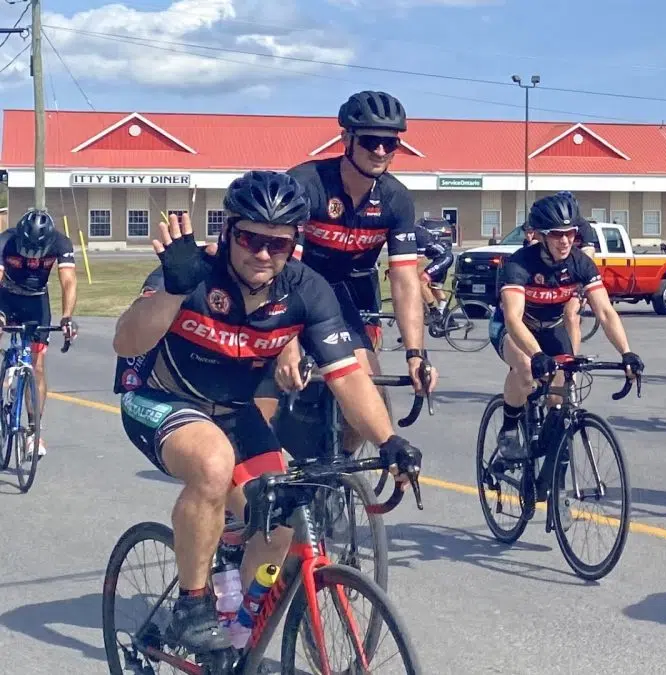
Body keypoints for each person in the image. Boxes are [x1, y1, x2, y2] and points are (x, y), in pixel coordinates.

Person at [111, 171, 420, 654]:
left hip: (233, 410)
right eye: (250, 239)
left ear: (294, 243)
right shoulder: (192, 272)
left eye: (277, 245)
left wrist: (388, 440)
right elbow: (126, 341)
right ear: (229, 230)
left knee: (280, 522)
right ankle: (192, 606)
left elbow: (348, 377)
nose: (262, 254)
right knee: (213, 464)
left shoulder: (305, 290)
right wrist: (172, 290)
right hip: (160, 400)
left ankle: (232, 628)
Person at [259, 90, 438, 457]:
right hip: (280, 289)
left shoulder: (395, 199)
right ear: (346, 139)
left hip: (338, 296)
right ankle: (250, 478)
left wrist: (416, 353)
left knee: (368, 395)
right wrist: (286, 345)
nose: (380, 151)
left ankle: (334, 476)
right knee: (263, 396)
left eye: (390, 143)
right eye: (371, 141)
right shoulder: (306, 185)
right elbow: (278, 270)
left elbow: (405, 281)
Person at [489, 193, 643, 461]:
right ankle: (510, 427)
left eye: (571, 233)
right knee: (525, 367)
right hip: (513, 328)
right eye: (557, 234)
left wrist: (626, 353)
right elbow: (513, 318)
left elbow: (605, 312)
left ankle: (553, 460)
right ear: (541, 235)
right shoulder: (519, 263)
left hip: (551, 326)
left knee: (561, 391)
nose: (565, 241)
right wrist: (537, 355)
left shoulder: (580, 263)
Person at [0, 209, 78, 457]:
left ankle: (34, 432)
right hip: (6, 298)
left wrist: (67, 317)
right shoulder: (6, 240)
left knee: (38, 366)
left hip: (36, 303)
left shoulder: (60, 242)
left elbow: (68, 281)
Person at [552, 191, 601, 353]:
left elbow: (588, 254)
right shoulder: (552, 224)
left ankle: (570, 363)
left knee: (571, 314)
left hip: (577, 278)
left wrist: (582, 283)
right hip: (554, 277)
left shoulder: (583, 226)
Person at [414, 217, 454, 322]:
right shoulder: (412, 232)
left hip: (444, 257)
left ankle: (433, 311)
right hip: (440, 258)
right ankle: (448, 320)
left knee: (422, 280)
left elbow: (419, 260)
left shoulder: (418, 234)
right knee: (435, 288)